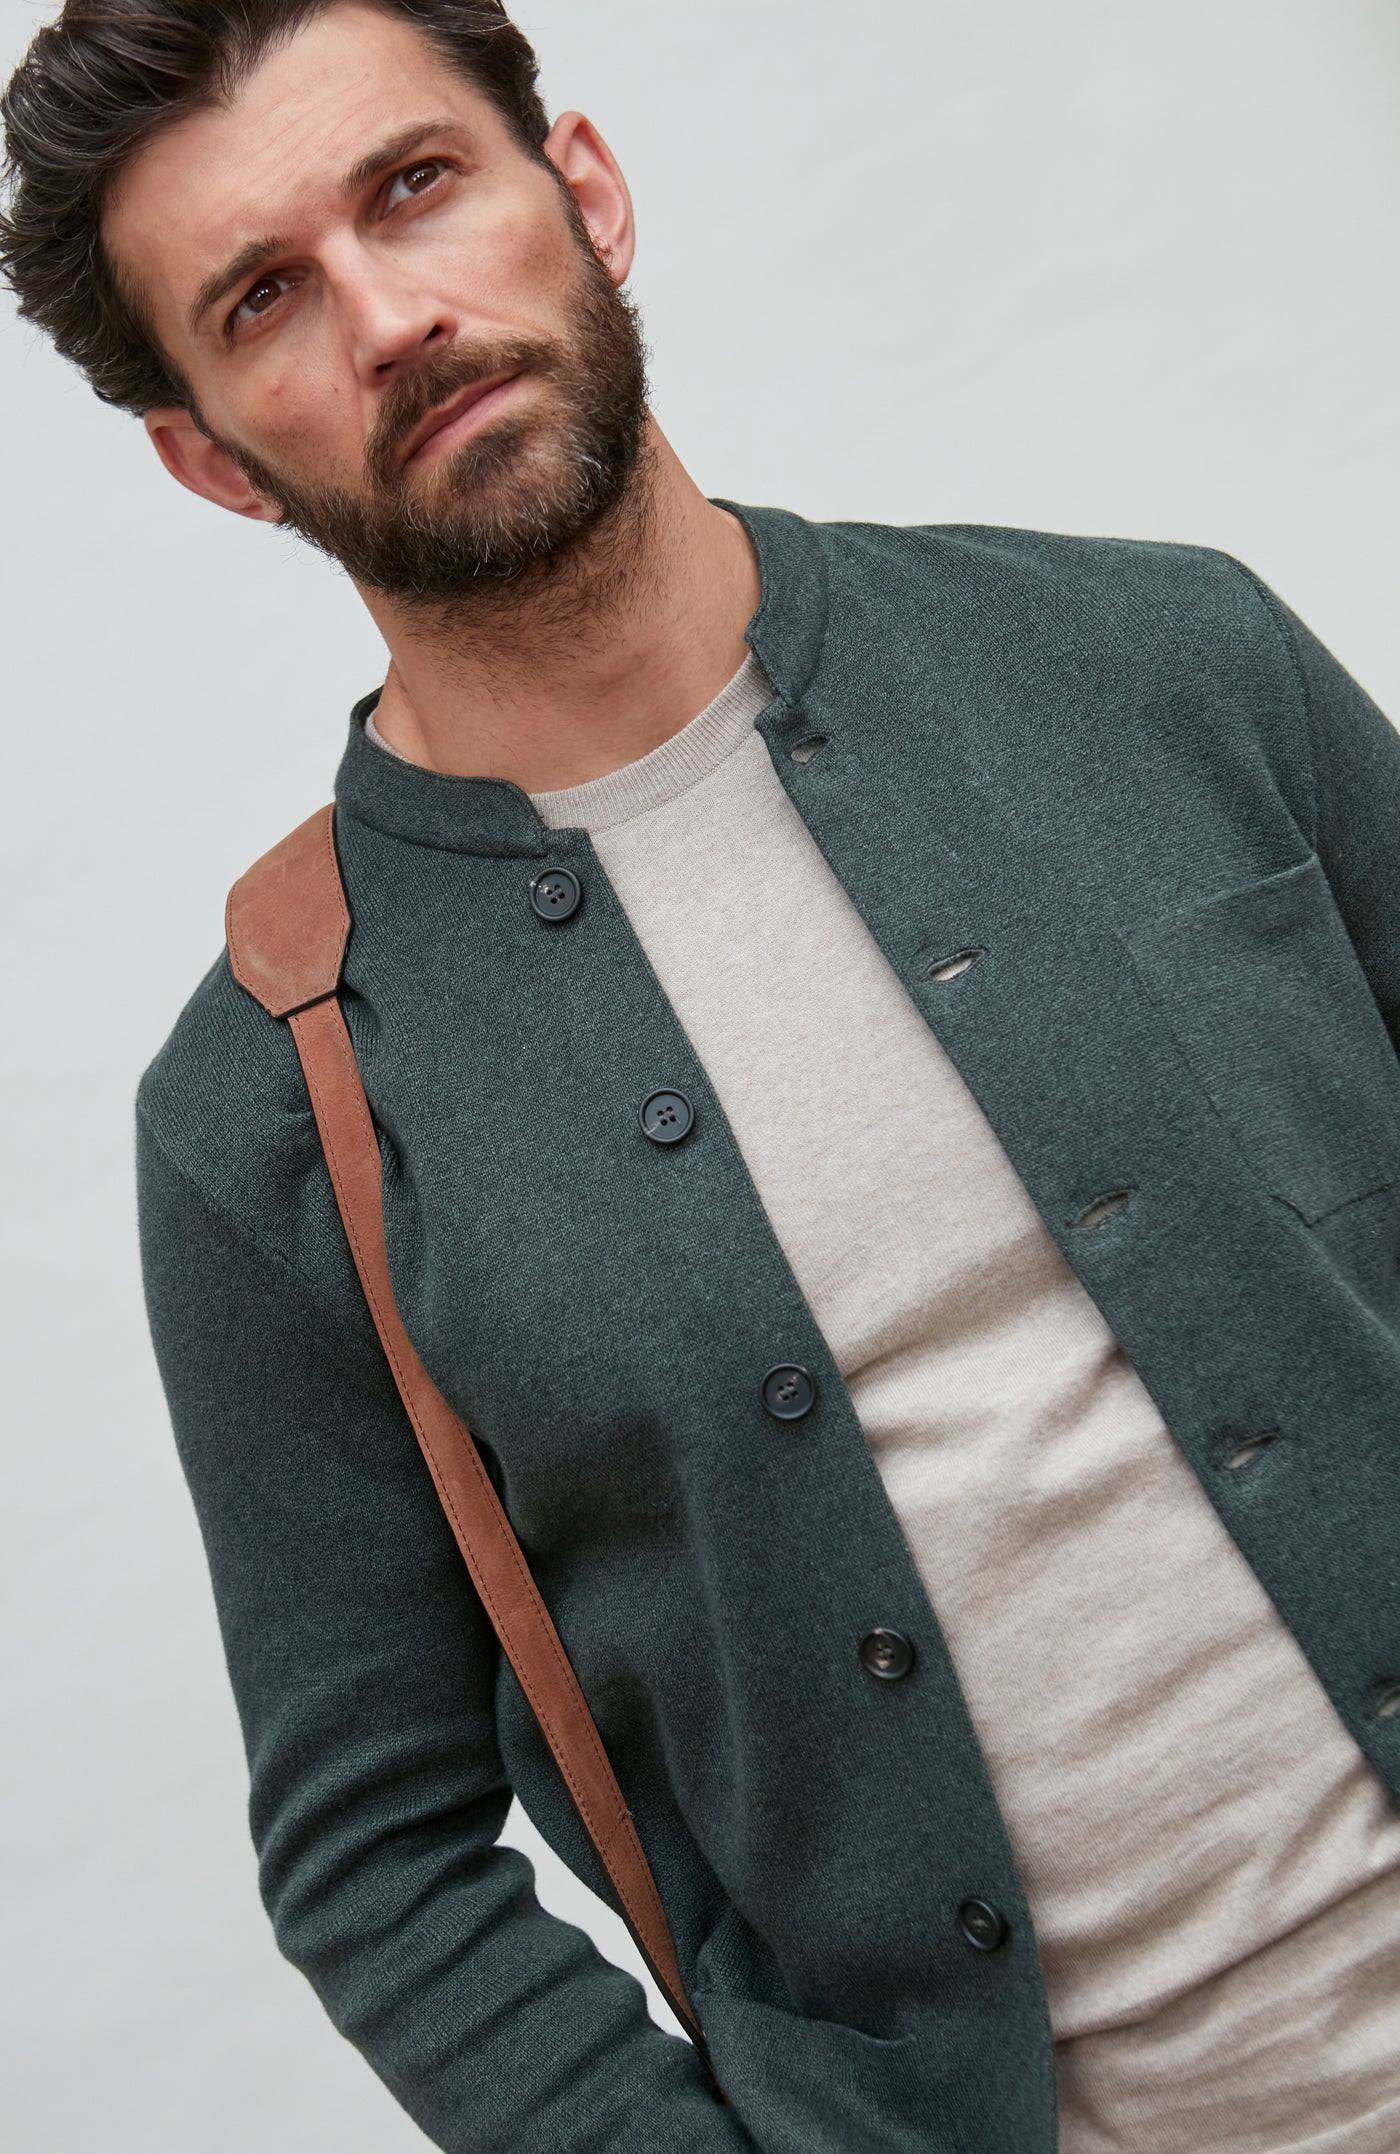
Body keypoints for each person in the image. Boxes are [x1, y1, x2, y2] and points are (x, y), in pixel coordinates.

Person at [5, 1, 1399, 2147]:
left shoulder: (1167, 662)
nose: (394, 317)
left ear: (583, 187)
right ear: (210, 452)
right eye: (265, 296)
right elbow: (374, 1859)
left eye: (414, 185)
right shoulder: (267, 1113)